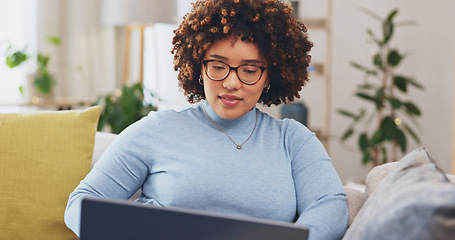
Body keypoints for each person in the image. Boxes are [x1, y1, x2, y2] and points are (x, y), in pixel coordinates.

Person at [64, 0, 348, 239]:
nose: (231, 83)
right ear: (198, 68)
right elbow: (81, 203)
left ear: (269, 76)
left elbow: (330, 204)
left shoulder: (293, 140)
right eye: (218, 66)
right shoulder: (158, 130)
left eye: (249, 70)